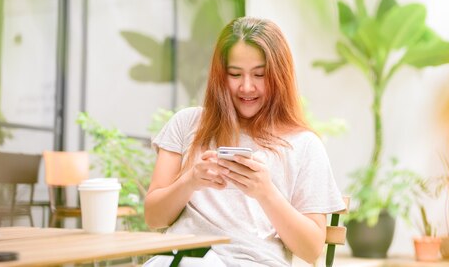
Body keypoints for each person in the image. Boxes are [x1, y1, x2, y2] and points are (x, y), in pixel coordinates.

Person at [144, 17, 344, 267]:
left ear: (279, 76)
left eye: (259, 74)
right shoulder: (187, 123)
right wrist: (190, 180)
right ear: (220, 75)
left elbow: (312, 249)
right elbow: (154, 217)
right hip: (182, 260)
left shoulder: (303, 144)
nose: (246, 87)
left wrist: (265, 192)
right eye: (235, 74)